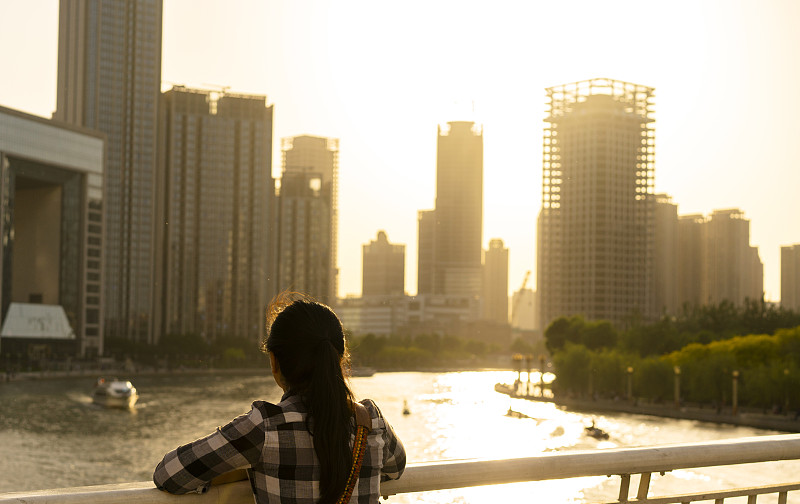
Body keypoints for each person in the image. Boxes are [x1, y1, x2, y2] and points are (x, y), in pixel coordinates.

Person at [153, 294, 406, 503]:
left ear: (274, 361)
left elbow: (168, 474)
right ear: (338, 360)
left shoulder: (264, 428)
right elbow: (397, 467)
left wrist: (243, 469)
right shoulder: (370, 420)